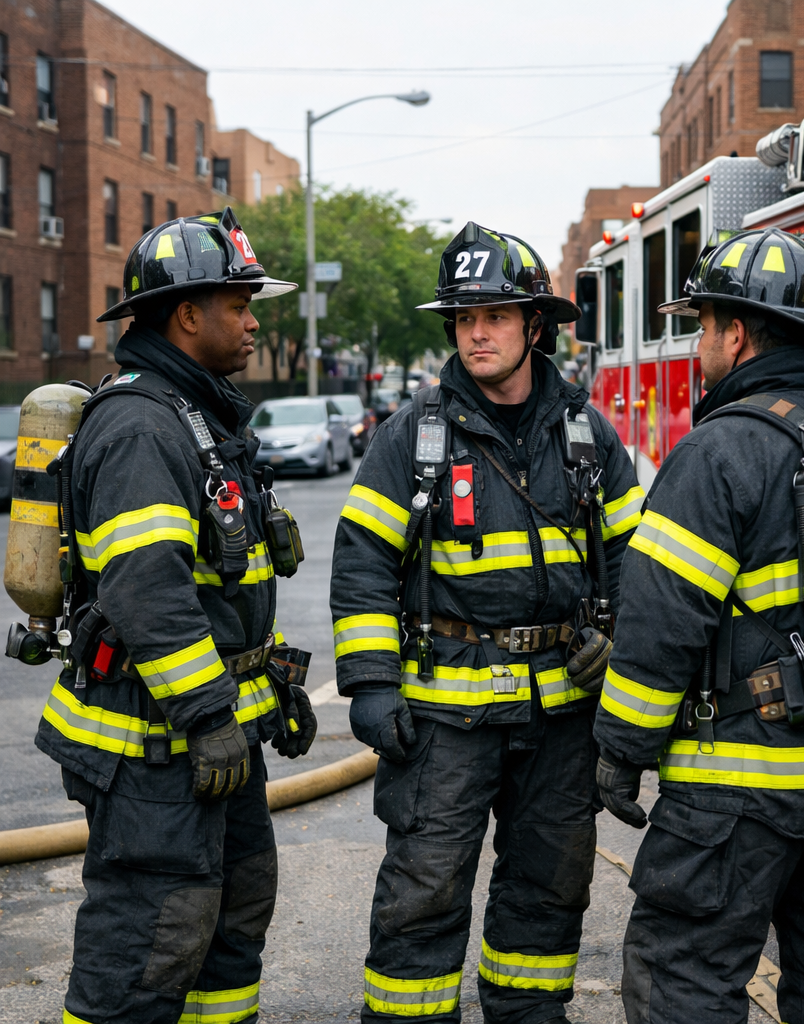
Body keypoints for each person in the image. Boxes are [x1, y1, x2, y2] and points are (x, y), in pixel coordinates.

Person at [594, 229, 804, 1024]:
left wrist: (620, 751)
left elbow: (660, 624)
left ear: (735, 333)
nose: (700, 342)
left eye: (702, 324)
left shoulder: (719, 449)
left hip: (742, 789)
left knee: (683, 977)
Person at [330, 222, 644, 1024]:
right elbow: (363, 562)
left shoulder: (586, 433)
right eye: (464, 318)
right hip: (444, 720)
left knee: (549, 889)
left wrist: (621, 651)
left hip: (561, 717)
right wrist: (370, 684)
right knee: (422, 892)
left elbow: (640, 563)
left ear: (534, 325)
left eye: (496, 315)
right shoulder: (413, 436)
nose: (476, 332)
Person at [35, 208, 318, 1024]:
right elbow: (145, 591)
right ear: (188, 315)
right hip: (154, 752)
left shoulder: (195, 418)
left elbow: (220, 598)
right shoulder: (138, 427)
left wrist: (263, 697)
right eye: (240, 303)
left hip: (208, 739)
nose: (255, 319)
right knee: (146, 947)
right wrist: (206, 712)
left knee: (229, 925)